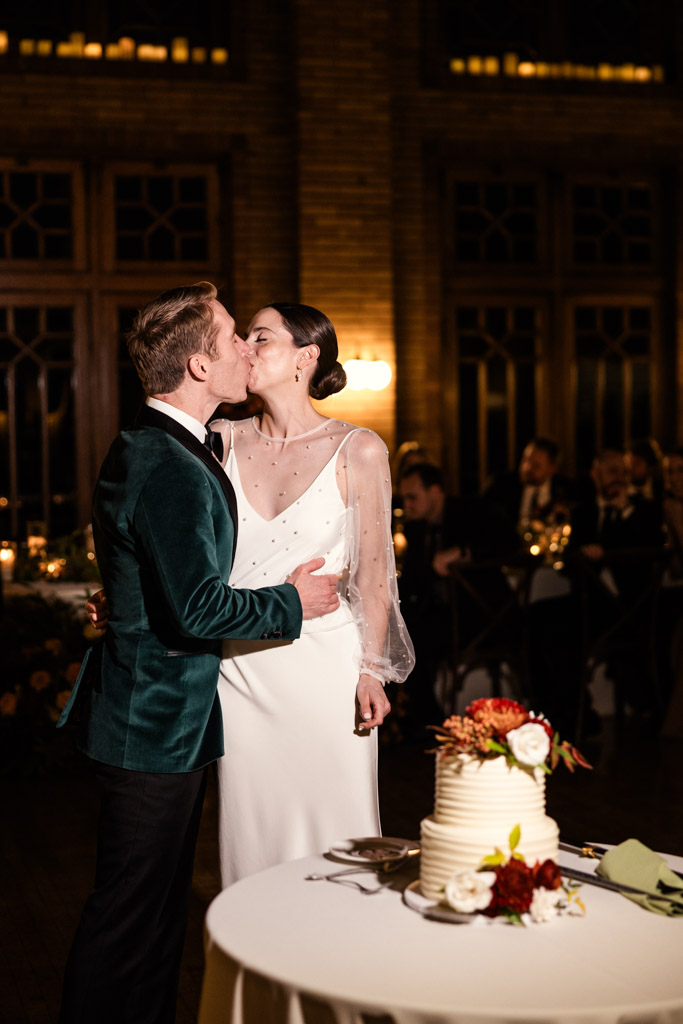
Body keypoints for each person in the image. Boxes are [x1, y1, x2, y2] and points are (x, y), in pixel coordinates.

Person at [57, 283, 340, 1024]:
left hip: (155, 720)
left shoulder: (159, 446)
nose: (247, 349)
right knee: (128, 922)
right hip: (152, 726)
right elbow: (198, 607)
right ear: (198, 366)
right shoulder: (169, 464)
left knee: (151, 923)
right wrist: (292, 604)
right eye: (232, 339)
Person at [209, 302, 414, 885]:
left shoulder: (360, 449)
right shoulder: (218, 441)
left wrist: (372, 671)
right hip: (241, 675)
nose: (246, 347)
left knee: (337, 843)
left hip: (326, 675)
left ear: (306, 356)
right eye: (245, 337)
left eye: (261, 337)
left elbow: (374, 576)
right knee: (252, 843)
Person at [396, 462, 510, 738]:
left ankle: (428, 724)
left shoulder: (470, 511)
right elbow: (413, 581)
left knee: (415, 637)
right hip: (441, 617)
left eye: (413, 497)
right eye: (404, 499)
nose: (407, 505)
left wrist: (462, 553)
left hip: (483, 618)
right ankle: (419, 720)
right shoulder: (416, 529)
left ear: (434, 492)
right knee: (397, 631)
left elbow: (507, 540)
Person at [483, 437, 574, 550]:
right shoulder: (501, 485)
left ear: (552, 469)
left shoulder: (566, 490)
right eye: (526, 460)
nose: (527, 468)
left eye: (536, 466)